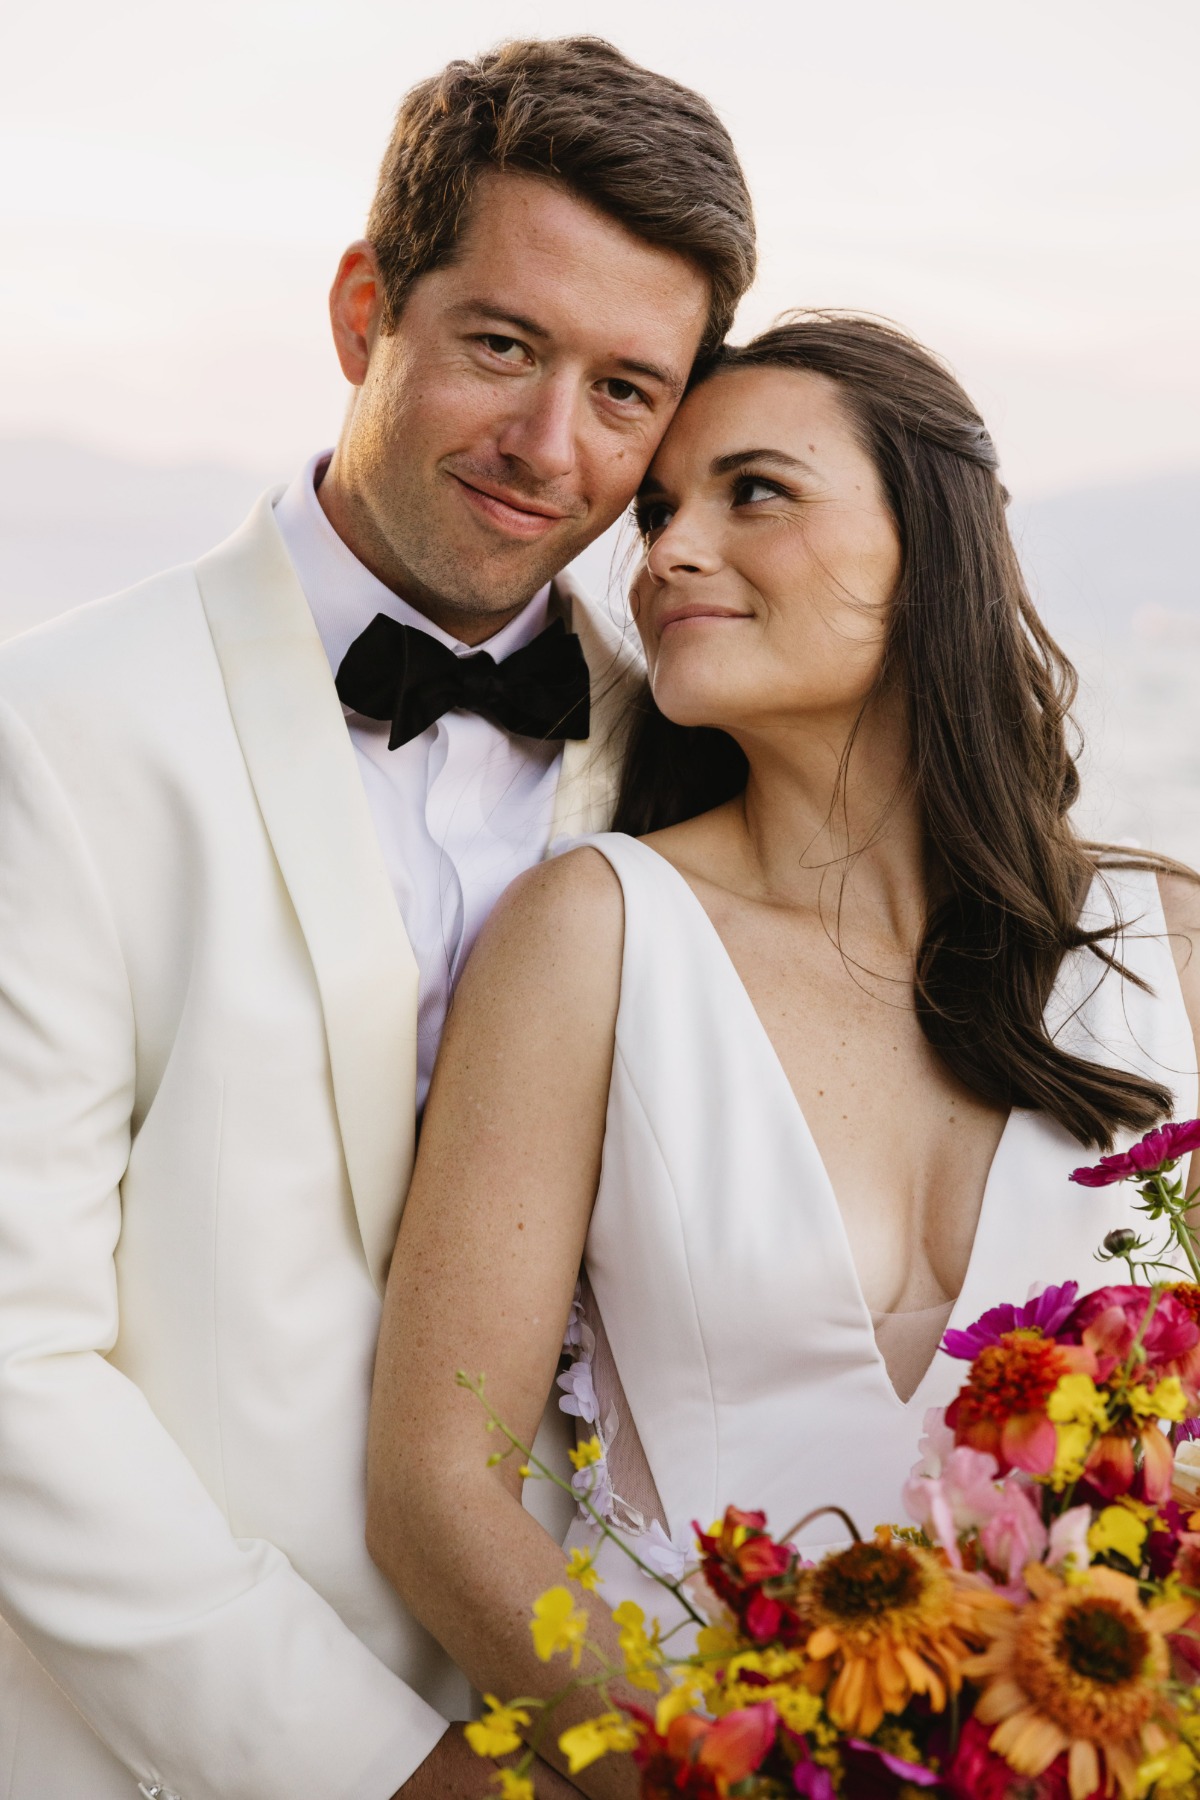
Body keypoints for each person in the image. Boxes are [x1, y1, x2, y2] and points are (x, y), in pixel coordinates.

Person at [0, 37, 755, 1800]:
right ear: (364, 312)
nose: (549, 448)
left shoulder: (705, 767)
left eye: (627, 390)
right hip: (161, 1756)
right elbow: (13, 1359)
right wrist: (377, 1768)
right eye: (501, 345)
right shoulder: (56, 732)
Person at [366, 313, 1200, 1798]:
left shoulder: (1171, 952)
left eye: (756, 492)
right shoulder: (591, 938)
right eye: (662, 512)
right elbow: (435, 1492)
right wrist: (705, 1775)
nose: (673, 551)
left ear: (934, 544)